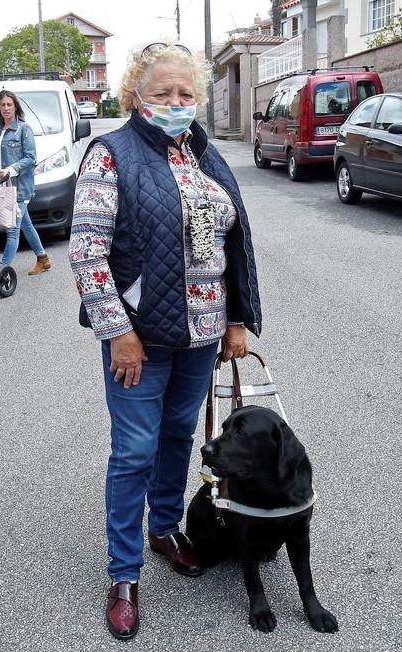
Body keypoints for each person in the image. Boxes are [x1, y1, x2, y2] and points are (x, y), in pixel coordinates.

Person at [68, 42, 262, 641]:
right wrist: (118, 332)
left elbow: (234, 243)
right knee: (133, 451)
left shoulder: (203, 152)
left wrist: (236, 320)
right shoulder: (111, 154)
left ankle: (164, 528)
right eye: (162, 93)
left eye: (185, 94)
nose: (176, 103)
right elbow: (87, 253)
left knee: (178, 435)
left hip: (202, 333)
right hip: (141, 337)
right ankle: (123, 575)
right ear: (137, 95)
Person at [0, 90, 51, 275]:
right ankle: (43, 259)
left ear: (15, 107)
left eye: (9, 104)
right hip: (2, 189)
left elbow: (30, 158)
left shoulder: (24, 129)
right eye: (2, 105)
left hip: (20, 188)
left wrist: (10, 169)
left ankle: (2, 270)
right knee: (26, 225)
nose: (6, 108)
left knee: (12, 229)